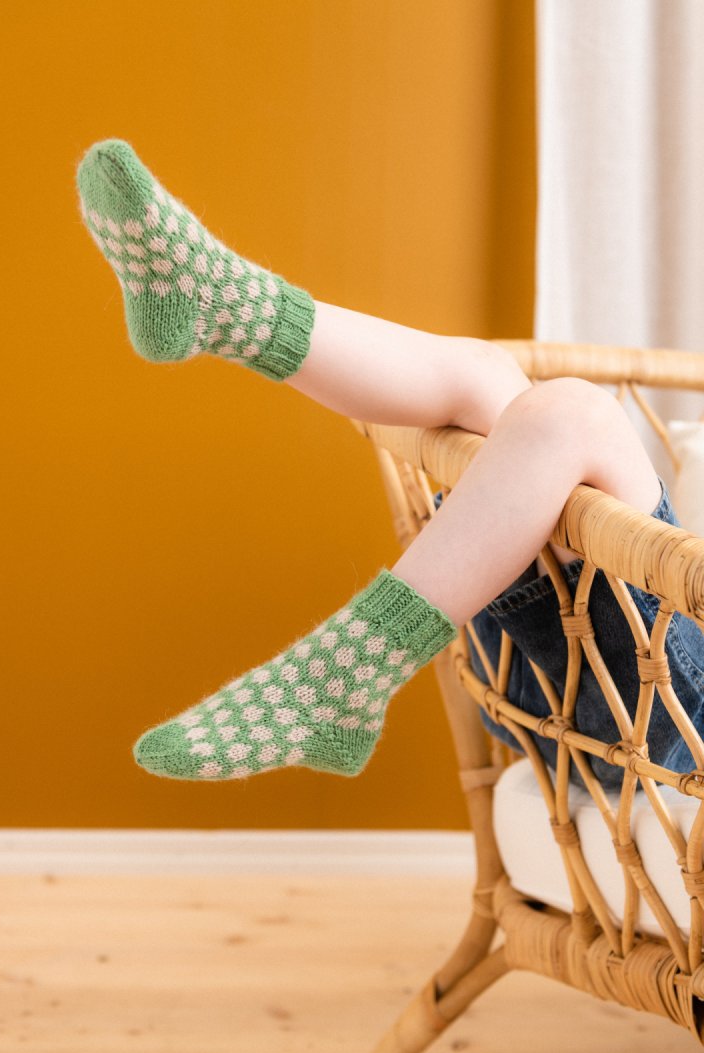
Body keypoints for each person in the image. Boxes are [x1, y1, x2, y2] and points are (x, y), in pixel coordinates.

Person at [76, 138, 704, 787]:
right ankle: (221, 304)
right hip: (587, 672)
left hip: (670, 730)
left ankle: (341, 680)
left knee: (572, 415)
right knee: (487, 376)